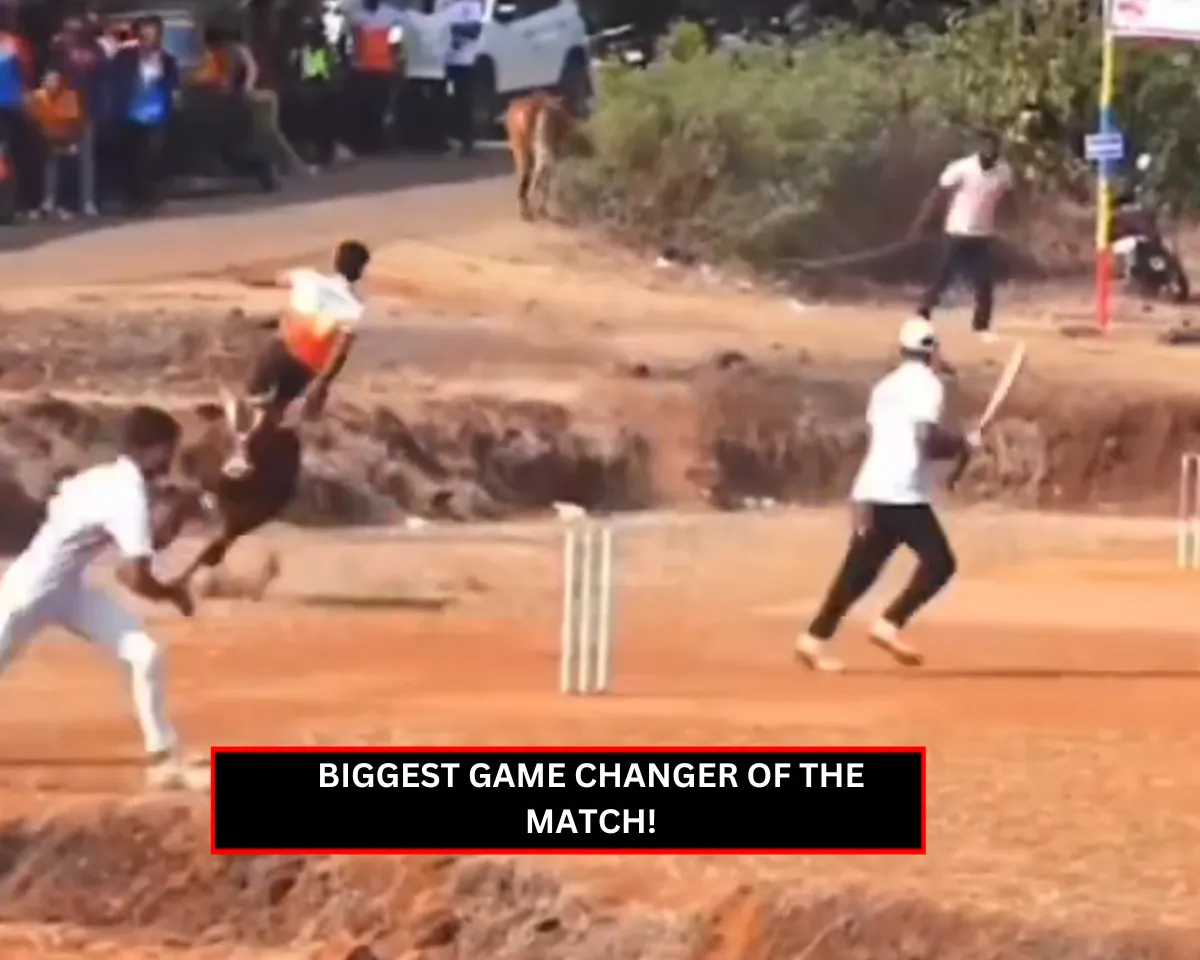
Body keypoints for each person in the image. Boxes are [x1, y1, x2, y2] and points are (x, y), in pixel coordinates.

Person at [0, 406, 201, 789]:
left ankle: (162, 758)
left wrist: (172, 511)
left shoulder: (101, 478)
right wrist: (173, 594)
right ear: (155, 450)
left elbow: (130, 539)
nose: (171, 459)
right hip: (31, 592)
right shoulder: (127, 495)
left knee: (144, 653)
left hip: (65, 587)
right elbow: (133, 575)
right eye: (169, 450)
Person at [794, 318, 975, 672]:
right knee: (940, 563)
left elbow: (896, 439)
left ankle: (813, 639)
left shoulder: (885, 386)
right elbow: (925, 441)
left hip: (871, 488)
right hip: (901, 492)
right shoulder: (927, 386)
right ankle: (889, 624)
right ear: (932, 349)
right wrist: (962, 443)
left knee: (860, 570)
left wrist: (956, 447)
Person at [223, 239, 370, 478]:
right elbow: (341, 349)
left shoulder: (308, 278)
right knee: (278, 412)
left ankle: (242, 456)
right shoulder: (353, 305)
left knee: (253, 400)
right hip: (308, 366)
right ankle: (264, 460)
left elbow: (262, 281)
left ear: (335, 260)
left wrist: (236, 274)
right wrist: (323, 382)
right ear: (361, 271)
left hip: (282, 350)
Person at [910, 131, 1014, 344]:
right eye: (986, 147)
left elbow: (1010, 199)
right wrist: (923, 222)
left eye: (994, 147)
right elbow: (938, 195)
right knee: (943, 278)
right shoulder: (962, 168)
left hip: (983, 234)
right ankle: (922, 315)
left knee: (984, 282)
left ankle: (981, 326)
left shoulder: (1004, 172)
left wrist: (1013, 222)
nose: (990, 152)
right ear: (979, 148)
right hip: (957, 231)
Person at [110, 16, 179, 213]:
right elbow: (113, 80)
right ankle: (131, 199)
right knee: (130, 157)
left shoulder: (166, 60)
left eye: (152, 33)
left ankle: (148, 198)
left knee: (150, 156)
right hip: (129, 112)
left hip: (155, 114)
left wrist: (173, 98)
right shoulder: (125, 56)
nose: (147, 37)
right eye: (143, 33)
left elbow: (173, 84)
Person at [53, 15, 106, 216]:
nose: (73, 35)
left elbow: (103, 78)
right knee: (61, 157)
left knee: (87, 158)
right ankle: (61, 203)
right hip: (62, 110)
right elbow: (51, 76)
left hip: (86, 109)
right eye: (70, 31)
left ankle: (88, 201)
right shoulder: (59, 51)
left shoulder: (96, 51)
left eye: (77, 31)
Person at [343, 0, 404, 153]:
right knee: (363, 108)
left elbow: (397, 42)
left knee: (380, 108)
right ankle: (363, 143)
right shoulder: (355, 16)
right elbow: (345, 40)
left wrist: (397, 62)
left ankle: (377, 143)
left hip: (384, 69)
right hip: (361, 69)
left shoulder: (391, 15)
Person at [28, 69, 82, 220]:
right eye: (49, 81)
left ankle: (63, 206)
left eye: (56, 81)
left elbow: (73, 124)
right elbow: (33, 123)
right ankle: (38, 206)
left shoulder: (70, 97)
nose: (53, 84)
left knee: (66, 167)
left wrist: (72, 144)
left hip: (64, 138)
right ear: (43, 82)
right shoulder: (37, 97)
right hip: (41, 138)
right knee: (38, 168)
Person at [444, 0, 483, 156]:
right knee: (446, 103)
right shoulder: (442, 4)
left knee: (464, 101)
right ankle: (449, 140)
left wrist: (451, 28)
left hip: (465, 62)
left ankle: (466, 142)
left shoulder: (471, 5)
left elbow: (475, 31)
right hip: (444, 61)